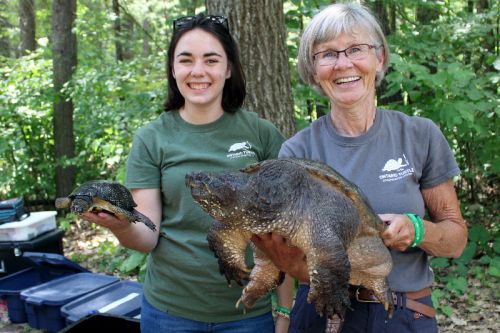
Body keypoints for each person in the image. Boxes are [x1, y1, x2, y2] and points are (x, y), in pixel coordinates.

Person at [251, 3, 468, 333]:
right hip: (322, 312)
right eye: (327, 54)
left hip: (405, 314)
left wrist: (420, 230)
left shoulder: (419, 135)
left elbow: (455, 241)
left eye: (356, 49)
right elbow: (286, 258)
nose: (343, 63)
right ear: (313, 70)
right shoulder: (297, 153)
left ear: (379, 58)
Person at [81, 13, 292, 333]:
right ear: (173, 68)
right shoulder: (152, 139)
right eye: (186, 60)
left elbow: (285, 236)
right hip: (170, 314)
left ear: (229, 68)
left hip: (250, 315)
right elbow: (147, 235)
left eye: (211, 59)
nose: (198, 71)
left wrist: (284, 311)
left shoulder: (262, 135)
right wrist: (121, 226)